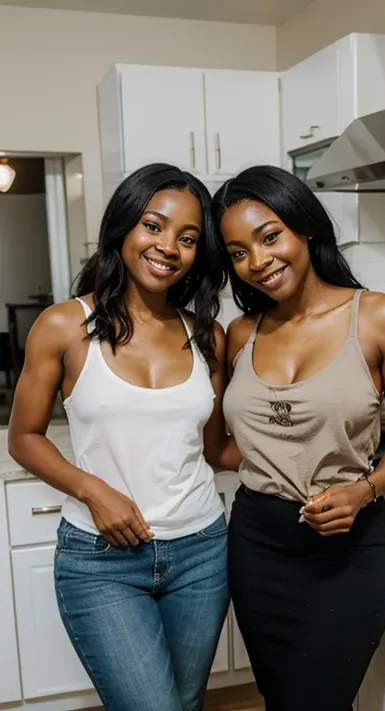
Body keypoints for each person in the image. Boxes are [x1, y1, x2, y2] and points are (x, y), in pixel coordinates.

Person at [8, 163, 241, 711]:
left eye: (187, 238)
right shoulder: (65, 326)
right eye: (153, 226)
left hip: (202, 551)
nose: (169, 247)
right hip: (99, 559)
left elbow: (214, 448)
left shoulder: (207, 334)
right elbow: (24, 437)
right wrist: (93, 489)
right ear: (123, 228)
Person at [210, 165, 385, 711]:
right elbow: (219, 446)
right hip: (258, 542)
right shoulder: (242, 332)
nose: (258, 262)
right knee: (281, 698)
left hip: (347, 547)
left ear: (305, 227)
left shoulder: (377, 316)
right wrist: (273, 466)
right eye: (238, 252)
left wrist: (364, 490)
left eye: (270, 236)